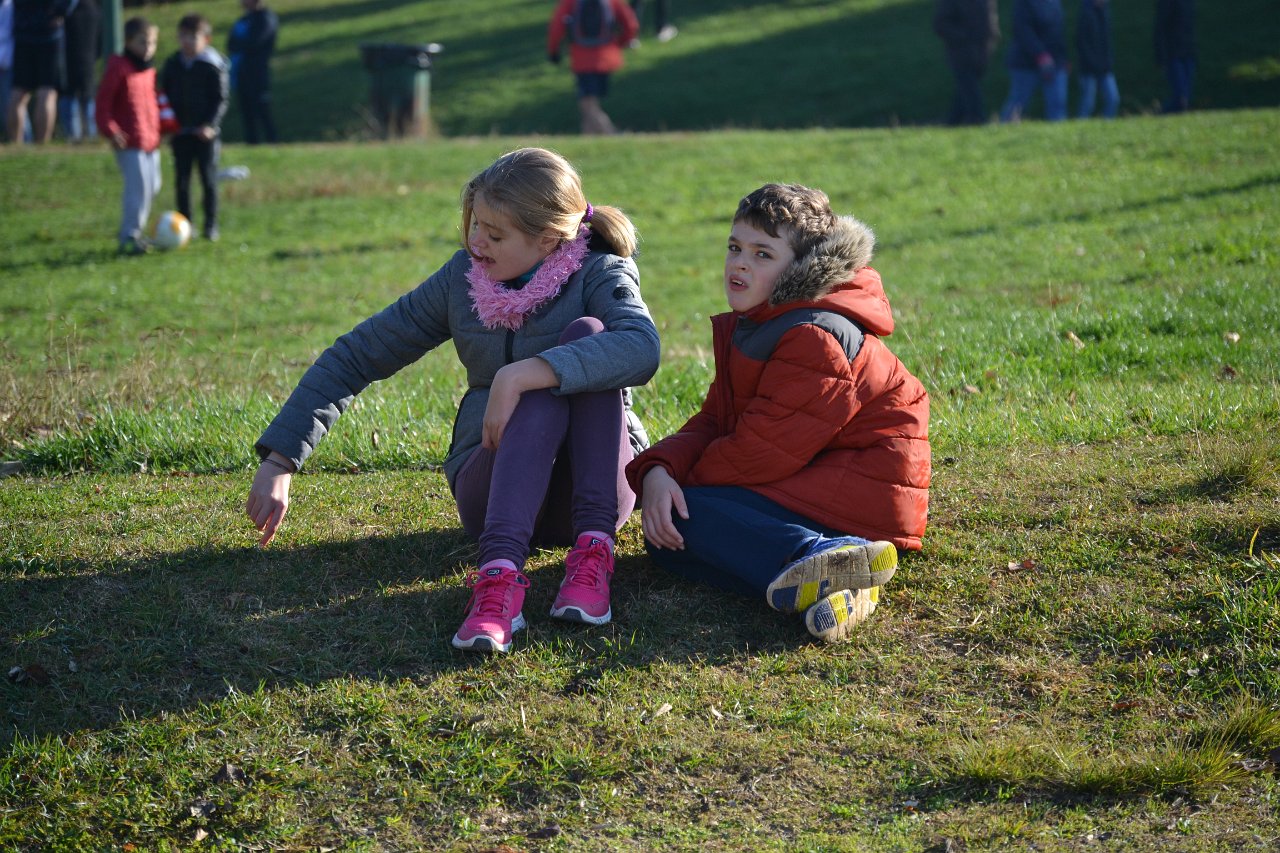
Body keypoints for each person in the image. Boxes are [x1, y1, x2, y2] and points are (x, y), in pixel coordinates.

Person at [246, 147, 661, 654]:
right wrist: (281, 459)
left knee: (586, 337)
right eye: (475, 224)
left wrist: (521, 374)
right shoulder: (462, 279)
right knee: (543, 393)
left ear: (549, 238)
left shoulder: (599, 272)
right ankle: (498, 580)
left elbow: (642, 347)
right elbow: (359, 354)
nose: (476, 242)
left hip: (591, 491)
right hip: (491, 489)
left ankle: (594, 557)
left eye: (495, 234)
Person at [626, 184, 930, 644]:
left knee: (686, 513)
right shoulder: (764, 321)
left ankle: (826, 551)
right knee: (666, 540)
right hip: (816, 482)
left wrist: (681, 487)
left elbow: (761, 453)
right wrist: (660, 469)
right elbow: (716, 421)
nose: (740, 263)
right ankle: (839, 583)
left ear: (802, 267)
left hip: (860, 497)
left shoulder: (814, 336)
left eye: (762, 254)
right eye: (735, 247)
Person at [95, 17, 160, 255]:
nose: (148, 48)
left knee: (153, 185)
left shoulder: (148, 69)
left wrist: (159, 130)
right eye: (143, 42)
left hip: (150, 140)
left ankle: (139, 232)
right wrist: (110, 130)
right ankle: (129, 236)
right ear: (129, 41)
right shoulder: (118, 67)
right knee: (138, 188)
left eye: (152, 43)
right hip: (128, 141)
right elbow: (103, 105)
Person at [160, 14, 228, 241]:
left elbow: (220, 99)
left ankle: (211, 225)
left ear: (206, 39)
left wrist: (209, 125)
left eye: (193, 37)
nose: (187, 42)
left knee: (208, 179)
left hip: (205, 135)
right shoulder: (173, 65)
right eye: (183, 36)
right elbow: (164, 97)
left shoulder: (212, 65)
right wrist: (168, 126)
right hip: (180, 132)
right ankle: (185, 226)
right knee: (182, 181)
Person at [547, 0, 638, 135]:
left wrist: (553, 51)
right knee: (588, 102)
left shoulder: (570, 2)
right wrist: (621, 42)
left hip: (581, 58)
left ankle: (611, 133)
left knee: (588, 104)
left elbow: (556, 26)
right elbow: (630, 23)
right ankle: (588, 137)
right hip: (606, 56)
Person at [7, 0, 70, 143]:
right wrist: (60, 12)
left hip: (23, 32)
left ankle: (15, 143)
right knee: (47, 92)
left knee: (19, 91)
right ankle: (42, 143)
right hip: (49, 33)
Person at [933, 0, 1000, 126]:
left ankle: (952, 121)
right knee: (970, 87)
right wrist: (964, 38)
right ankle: (977, 118)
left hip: (982, 51)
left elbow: (991, 19)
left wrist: (992, 38)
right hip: (961, 52)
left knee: (965, 90)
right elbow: (941, 24)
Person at [999, 0, 1068, 122]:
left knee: (1057, 103)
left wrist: (1063, 59)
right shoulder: (1025, 3)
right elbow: (1022, 30)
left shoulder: (1054, 2)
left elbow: (1057, 32)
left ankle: (1057, 131)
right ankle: (1004, 128)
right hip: (1026, 62)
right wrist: (1040, 54)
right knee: (1018, 102)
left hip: (1055, 61)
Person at [226, 0, 276, 143]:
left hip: (258, 74)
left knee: (262, 111)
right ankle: (252, 143)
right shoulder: (243, 20)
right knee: (246, 112)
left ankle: (273, 142)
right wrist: (241, 44)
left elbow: (255, 42)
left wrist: (240, 44)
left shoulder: (266, 18)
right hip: (241, 72)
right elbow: (231, 44)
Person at [58, 0, 97, 140]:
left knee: (78, 98)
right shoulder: (92, 8)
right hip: (84, 61)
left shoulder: (64, 9)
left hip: (77, 61)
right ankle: (85, 137)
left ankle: (78, 136)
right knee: (82, 98)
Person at [1075, 0, 1118, 118]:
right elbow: (1081, 43)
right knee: (1088, 103)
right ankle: (1081, 126)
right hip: (1088, 68)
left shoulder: (1105, 12)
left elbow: (1107, 42)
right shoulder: (1086, 13)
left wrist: (1108, 61)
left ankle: (1106, 125)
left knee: (1113, 98)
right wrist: (1093, 63)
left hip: (1105, 67)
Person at [1154, 0, 1194, 114]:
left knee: (1186, 97)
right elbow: (1160, 29)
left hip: (1188, 53)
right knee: (1180, 97)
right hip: (1173, 54)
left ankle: (1161, 113)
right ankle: (1159, 113)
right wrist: (1161, 57)